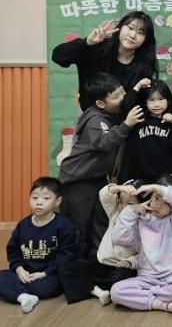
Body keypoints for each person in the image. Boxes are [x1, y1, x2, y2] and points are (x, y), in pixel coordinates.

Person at [58, 72, 144, 255]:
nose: (123, 98)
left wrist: (136, 88)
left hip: (95, 178)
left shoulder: (108, 114)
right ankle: (73, 263)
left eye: (123, 92)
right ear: (100, 103)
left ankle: (95, 260)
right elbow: (104, 142)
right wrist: (127, 124)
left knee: (97, 221)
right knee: (78, 224)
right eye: (116, 96)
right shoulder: (95, 119)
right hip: (78, 180)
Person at [0, 177, 79, 313]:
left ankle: (7, 290)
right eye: (34, 198)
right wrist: (19, 269)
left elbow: (67, 255)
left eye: (46, 198)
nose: (39, 202)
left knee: (49, 286)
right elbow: (13, 250)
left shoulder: (64, 226)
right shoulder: (23, 225)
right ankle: (23, 296)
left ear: (57, 201)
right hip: (25, 272)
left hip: (48, 274)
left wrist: (44, 273)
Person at [110, 176, 172, 317]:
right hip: (147, 278)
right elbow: (118, 238)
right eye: (156, 198)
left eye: (165, 202)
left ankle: (147, 298)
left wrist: (157, 188)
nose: (158, 205)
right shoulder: (140, 219)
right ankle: (162, 304)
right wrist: (132, 210)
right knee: (116, 292)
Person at [58, 180, 145, 305]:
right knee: (66, 269)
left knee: (120, 279)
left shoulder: (145, 225)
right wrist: (120, 188)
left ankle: (95, 287)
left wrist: (130, 262)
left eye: (130, 204)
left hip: (123, 268)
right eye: (120, 201)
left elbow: (145, 255)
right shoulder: (114, 212)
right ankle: (98, 292)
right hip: (102, 263)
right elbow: (104, 194)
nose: (123, 206)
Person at [52, 11, 158, 112]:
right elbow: (58, 57)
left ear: (146, 39)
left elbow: (140, 101)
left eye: (140, 33)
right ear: (120, 27)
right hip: (90, 117)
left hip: (125, 121)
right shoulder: (97, 47)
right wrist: (86, 43)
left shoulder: (144, 64)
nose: (133, 35)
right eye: (130, 28)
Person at [120, 79, 172, 183]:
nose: (156, 104)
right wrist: (138, 86)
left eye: (161, 99)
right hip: (139, 175)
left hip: (165, 176)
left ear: (168, 100)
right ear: (145, 102)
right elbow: (125, 106)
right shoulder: (139, 117)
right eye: (151, 100)